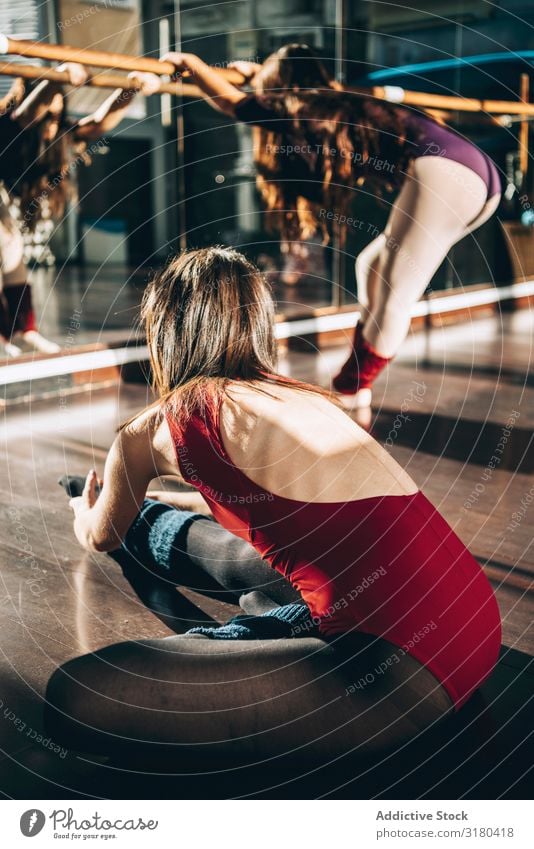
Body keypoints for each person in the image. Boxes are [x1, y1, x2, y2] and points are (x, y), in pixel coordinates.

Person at [46, 246, 501, 763]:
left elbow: (101, 534)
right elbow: (275, 504)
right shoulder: (301, 400)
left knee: (76, 695)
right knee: (240, 553)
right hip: (474, 626)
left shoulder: (153, 429)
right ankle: (274, 617)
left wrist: (87, 512)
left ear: (165, 335)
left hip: (399, 675)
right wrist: (162, 497)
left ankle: (258, 633)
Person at [142, 44, 501, 408]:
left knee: (395, 292)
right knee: (371, 265)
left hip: (448, 172)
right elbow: (263, 98)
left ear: (281, 86)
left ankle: (349, 388)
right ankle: (357, 380)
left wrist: (193, 63)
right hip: (477, 177)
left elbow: (232, 104)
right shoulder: (336, 102)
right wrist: (256, 75)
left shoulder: (305, 109)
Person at [0, 63, 139, 356]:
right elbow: (28, 112)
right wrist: (56, 78)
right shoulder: (11, 127)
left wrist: (132, 89)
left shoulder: (59, 135)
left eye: (58, 115)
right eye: (47, 116)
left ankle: (23, 330)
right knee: (7, 245)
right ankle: (10, 333)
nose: (52, 123)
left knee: (13, 255)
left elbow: (99, 122)